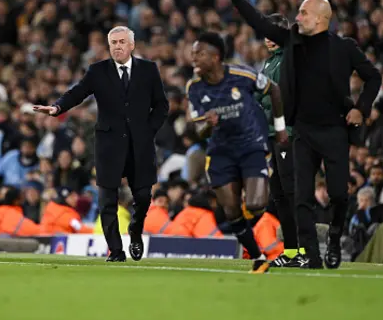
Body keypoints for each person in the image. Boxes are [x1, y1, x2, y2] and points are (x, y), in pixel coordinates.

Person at [217, 0, 382, 269]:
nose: (298, 17)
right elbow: (260, 23)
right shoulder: (292, 41)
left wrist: (361, 108)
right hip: (302, 130)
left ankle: (333, 238)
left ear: (320, 18)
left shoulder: (344, 47)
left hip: (334, 130)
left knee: (337, 195)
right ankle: (310, 255)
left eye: (303, 13)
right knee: (300, 196)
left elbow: (374, 77)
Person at [34, 26, 169, 262]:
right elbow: (78, 92)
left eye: (121, 42)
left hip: (140, 144)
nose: (117, 46)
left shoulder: (148, 70)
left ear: (132, 45)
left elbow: (162, 106)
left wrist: (149, 130)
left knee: (144, 196)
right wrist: (58, 107)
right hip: (109, 145)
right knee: (107, 201)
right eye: (113, 42)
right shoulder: (98, 71)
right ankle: (116, 251)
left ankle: (135, 231)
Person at [187, 32, 287, 273]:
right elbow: (198, 129)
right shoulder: (194, 87)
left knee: (255, 204)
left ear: (215, 56)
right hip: (220, 152)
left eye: (199, 54)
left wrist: (280, 128)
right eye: (193, 54)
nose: (194, 59)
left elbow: (274, 90)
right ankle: (257, 256)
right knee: (231, 210)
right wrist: (208, 124)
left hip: (251, 146)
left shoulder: (242, 75)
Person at [255, 13, 301, 268]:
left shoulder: (288, 61)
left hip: (287, 135)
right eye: (266, 35)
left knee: (291, 192)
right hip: (272, 136)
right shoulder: (269, 63)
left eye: (274, 35)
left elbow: (280, 97)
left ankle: (304, 250)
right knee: (280, 194)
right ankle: (292, 252)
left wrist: (260, 107)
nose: (269, 40)